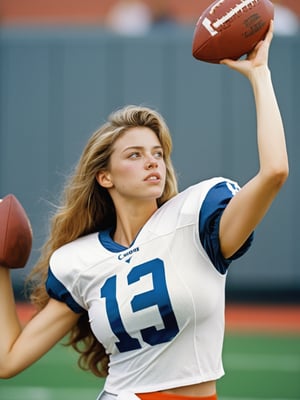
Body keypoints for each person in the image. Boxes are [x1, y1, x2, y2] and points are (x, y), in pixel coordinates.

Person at [0, 21, 288, 400]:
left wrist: (260, 75)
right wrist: (2, 266)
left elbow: (275, 172)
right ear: (105, 177)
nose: (153, 163)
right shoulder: (78, 261)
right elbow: (7, 361)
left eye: (157, 154)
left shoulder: (198, 219)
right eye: (135, 155)